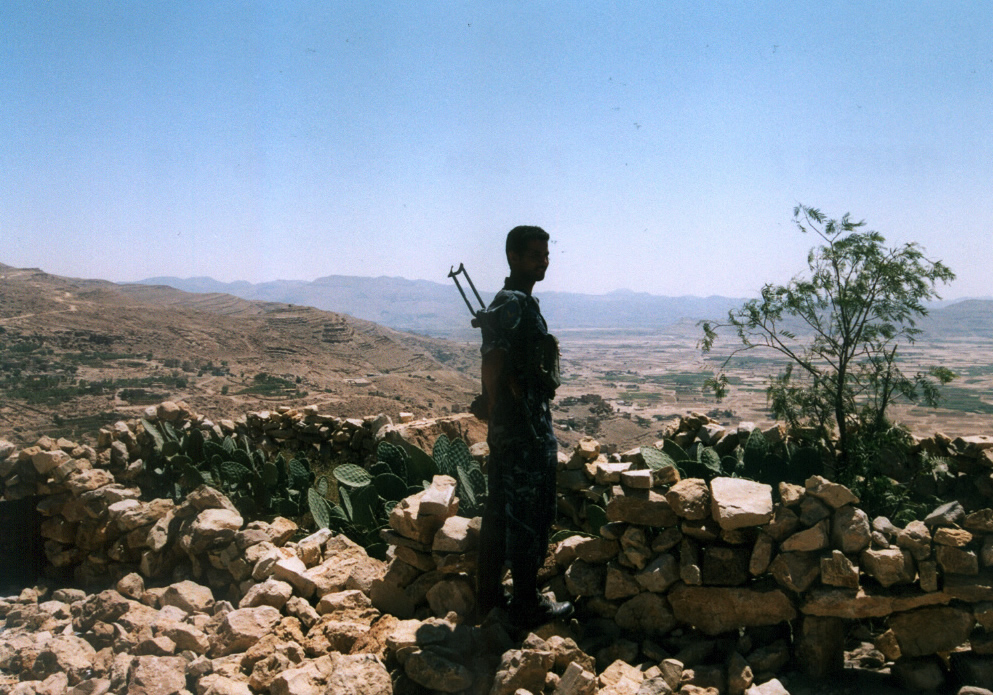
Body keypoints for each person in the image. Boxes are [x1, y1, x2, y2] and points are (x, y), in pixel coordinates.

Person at [476, 225, 574, 628]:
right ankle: (526, 605)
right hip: (523, 430)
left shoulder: (516, 301)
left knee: (500, 511)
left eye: (546, 255)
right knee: (528, 516)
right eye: (535, 255)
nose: (543, 262)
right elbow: (493, 358)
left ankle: (488, 599)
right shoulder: (513, 302)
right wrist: (495, 405)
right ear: (513, 257)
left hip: (515, 426)